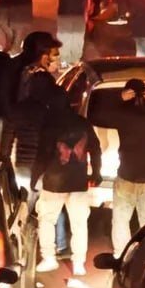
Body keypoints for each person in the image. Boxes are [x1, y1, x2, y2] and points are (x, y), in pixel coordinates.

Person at [31, 75, 101, 276]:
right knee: (79, 224)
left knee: (47, 220)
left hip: (54, 182)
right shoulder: (82, 123)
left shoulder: (49, 124)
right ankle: (79, 263)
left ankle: (49, 258)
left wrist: (35, 178)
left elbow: (43, 154)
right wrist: (96, 172)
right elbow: (95, 149)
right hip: (78, 181)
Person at [96, 78, 145, 257]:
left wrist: (119, 99)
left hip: (127, 175)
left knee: (121, 219)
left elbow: (102, 116)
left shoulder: (122, 116)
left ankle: (121, 255)